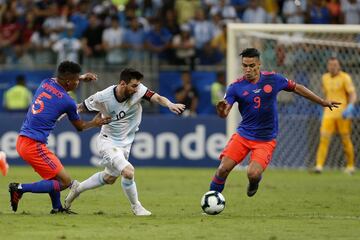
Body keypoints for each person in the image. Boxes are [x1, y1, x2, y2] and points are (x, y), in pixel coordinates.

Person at [209, 48, 340, 197]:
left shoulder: (273, 79)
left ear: (259, 65)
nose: (248, 69)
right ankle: (211, 199)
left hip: (265, 140)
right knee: (222, 169)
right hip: (243, 135)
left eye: (251, 65)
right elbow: (224, 114)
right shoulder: (235, 87)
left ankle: (254, 182)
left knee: (253, 173)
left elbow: (297, 88)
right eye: (245, 65)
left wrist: (322, 101)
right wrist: (220, 110)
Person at [64, 68, 185, 216]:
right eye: (133, 86)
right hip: (108, 142)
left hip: (126, 143)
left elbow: (158, 98)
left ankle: (78, 188)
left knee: (109, 178)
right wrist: (58, 112)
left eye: (138, 85)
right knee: (128, 172)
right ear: (122, 83)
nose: (137, 89)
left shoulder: (139, 90)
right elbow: (79, 108)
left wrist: (170, 104)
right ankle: (137, 207)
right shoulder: (102, 97)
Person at [8, 61, 112, 214]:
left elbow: (62, 79)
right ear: (69, 81)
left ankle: (57, 208)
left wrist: (82, 77)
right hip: (33, 145)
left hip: (24, 140)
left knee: (54, 178)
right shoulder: (67, 101)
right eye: (76, 80)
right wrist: (95, 123)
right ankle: (19, 188)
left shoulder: (46, 83)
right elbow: (80, 127)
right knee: (65, 182)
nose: (78, 83)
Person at [314, 57, 357, 174]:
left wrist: (350, 106)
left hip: (343, 113)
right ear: (328, 66)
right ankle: (319, 166)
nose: (333, 67)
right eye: (330, 65)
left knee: (345, 139)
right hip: (328, 114)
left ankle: (350, 166)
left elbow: (352, 94)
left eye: (335, 65)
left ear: (339, 66)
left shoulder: (345, 77)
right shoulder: (324, 78)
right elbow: (325, 95)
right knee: (323, 139)